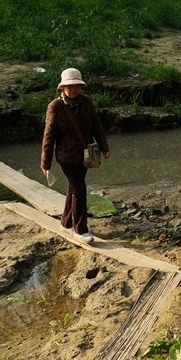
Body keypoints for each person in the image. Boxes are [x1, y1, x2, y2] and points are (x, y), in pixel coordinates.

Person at [40, 67, 110, 244]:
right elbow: (49, 136)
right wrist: (45, 163)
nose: (74, 89)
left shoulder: (86, 102)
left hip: (85, 155)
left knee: (73, 189)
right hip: (66, 157)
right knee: (80, 190)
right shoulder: (55, 107)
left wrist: (104, 147)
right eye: (70, 86)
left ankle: (66, 222)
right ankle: (80, 230)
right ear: (62, 88)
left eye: (77, 86)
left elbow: (97, 126)